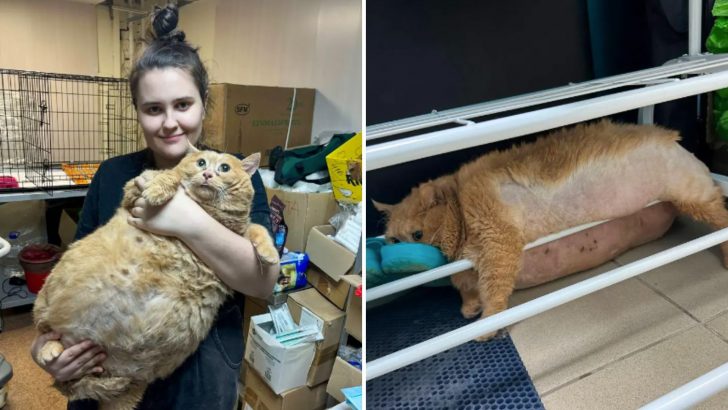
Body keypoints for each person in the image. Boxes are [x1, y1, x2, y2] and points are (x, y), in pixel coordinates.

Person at [30, 5, 278, 409]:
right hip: (104, 364)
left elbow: (263, 283)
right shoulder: (112, 175)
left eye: (183, 104)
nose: (169, 123)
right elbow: (75, 274)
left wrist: (185, 221)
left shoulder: (233, 175)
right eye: (153, 109)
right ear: (138, 112)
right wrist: (45, 347)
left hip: (197, 373)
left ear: (204, 102)